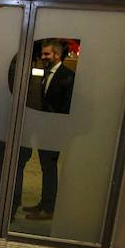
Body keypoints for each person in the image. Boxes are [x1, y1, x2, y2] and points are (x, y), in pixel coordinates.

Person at [20, 39, 75, 221]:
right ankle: (45, 203)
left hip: (55, 131)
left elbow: (65, 108)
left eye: (46, 54)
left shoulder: (67, 76)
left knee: (50, 167)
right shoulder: (47, 73)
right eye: (43, 54)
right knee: (46, 167)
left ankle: (49, 207)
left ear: (57, 55)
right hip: (46, 130)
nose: (43, 57)